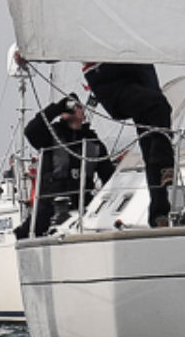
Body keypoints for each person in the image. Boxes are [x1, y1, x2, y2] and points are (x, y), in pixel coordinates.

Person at [82, 62, 175, 226]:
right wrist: (28, 52)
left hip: (140, 70)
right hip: (110, 75)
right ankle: (164, 166)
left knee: (150, 141)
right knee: (158, 106)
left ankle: (159, 214)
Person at [18, 95, 116, 238]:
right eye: (71, 106)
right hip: (50, 206)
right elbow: (30, 131)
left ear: (83, 114)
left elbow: (109, 177)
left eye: (77, 107)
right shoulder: (50, 136)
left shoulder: (94, 143)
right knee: (26, 231)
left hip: (83, 206)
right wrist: (57, 108)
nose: (73, 110)